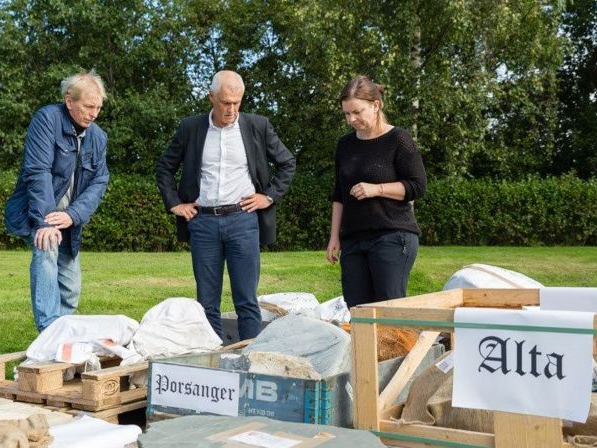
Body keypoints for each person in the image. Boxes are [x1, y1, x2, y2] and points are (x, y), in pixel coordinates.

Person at [156, 70, 296, 341]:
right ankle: (214, 361)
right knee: (207, 302)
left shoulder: (258, 126)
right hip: (203, 222)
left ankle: (249, 358)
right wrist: (174, 204)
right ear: (211, 97)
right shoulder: (191, 128)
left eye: (236, 102)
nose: (231, 109)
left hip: (242, 220)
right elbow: (165, 168)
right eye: (225, 102)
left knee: (246, 300)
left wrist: (268, 196)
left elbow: (287, 163)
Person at [4, 70, 110, 332]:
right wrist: (44, 222)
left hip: (69, 219)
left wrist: (73, 215)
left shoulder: (98, 137)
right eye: (88, 106)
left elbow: (100, 181)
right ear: (69, 101)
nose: (93, 113)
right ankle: (49, 332)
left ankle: (63, 336)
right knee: (46, 251)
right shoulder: (47, 120)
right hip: (43, 213)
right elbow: (37, 171)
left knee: (70, 289)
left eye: (98, 107)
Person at [326, 75, 426, 308]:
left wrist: (377, 189)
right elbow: (339, 195)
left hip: (393, 235)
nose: (351, 119)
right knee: (358, 310)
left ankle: (399, 346)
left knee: (388, 309)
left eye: (357, 112)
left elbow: (417, 186)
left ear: (376, 105)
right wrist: (334, 237)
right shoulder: (345, 145)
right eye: (346, 114)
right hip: (353, 240)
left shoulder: (399, 140)